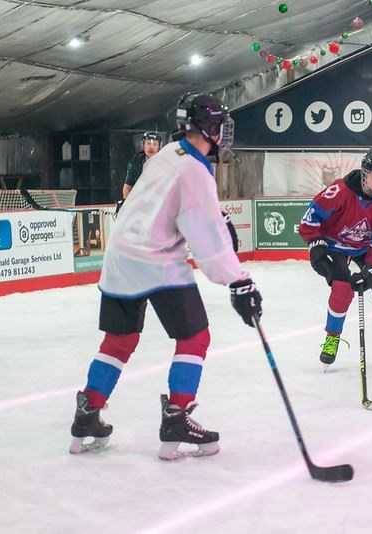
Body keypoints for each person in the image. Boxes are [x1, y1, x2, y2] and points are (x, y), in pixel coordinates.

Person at [69, 93, 262, 460]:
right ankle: (176, 417)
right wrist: (239, 280)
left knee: (119, 339)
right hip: (155, 261)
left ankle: (88, 412)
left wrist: (216, 218)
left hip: (120, 257)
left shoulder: (169, 154)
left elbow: (173, 205)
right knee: (195, 337)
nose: (223, 131)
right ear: (207, 128)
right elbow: (207, 246)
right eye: (220, 123)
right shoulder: (195, 171)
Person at [298, 146, 372, 368]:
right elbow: (309, 220)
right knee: (342, 288)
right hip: (334, 245)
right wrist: (316, 245)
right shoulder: (340, 191)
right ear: (364, 172)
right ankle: (332, 337)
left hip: (364, 247)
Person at [115, 131, 162, 213]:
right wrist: (126, 203)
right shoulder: (136, 162)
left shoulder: (165, 163)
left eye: (154, 144)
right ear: (143, 145)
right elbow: (127, 187)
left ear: (159, 147)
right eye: (148, 144)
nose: (151, 147)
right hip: (139, 204)